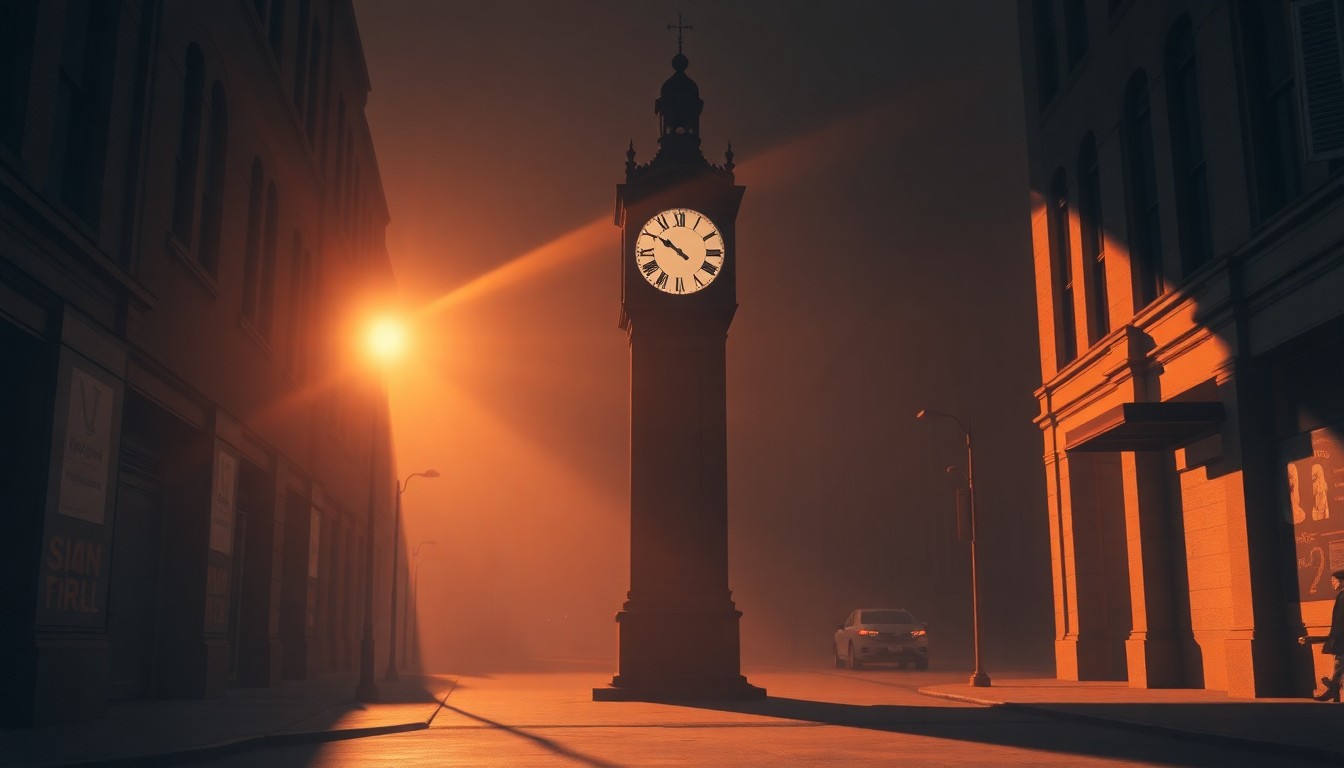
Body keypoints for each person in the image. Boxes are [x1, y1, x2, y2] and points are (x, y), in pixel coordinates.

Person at [1300, 568, 1344, 701]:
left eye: (1334, 580)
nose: (1332, 583)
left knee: (1340, 664)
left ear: (1342, 581)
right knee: (1339, 664)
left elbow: (1340, 622)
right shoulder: (1341, 596)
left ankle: (1333, 688)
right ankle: (1333, 690)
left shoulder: (1342, 597)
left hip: (1341, 639)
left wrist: (1333, 638)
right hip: (1339, 638)